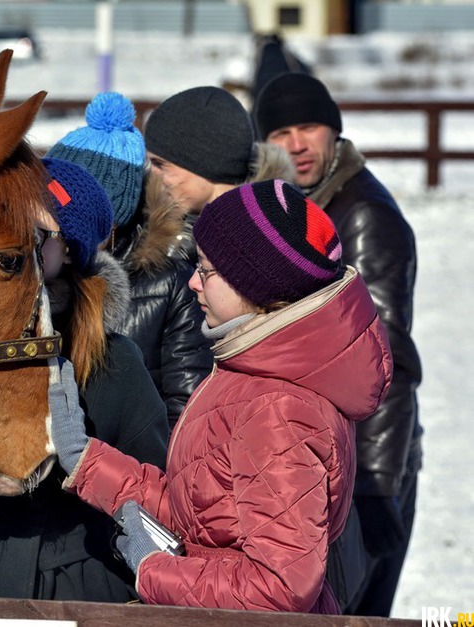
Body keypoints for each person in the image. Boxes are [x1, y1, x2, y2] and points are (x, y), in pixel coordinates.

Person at [49, 179, 394, 614]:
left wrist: (152, 568)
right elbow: (202, 512)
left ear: (258, 286)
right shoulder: (250, 374)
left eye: (207, 270)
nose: (193, 282)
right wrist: (85, 461)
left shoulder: (279, 411)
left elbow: (279, 589)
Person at [0, 158, 170, 601]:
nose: (13, 237)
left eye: (34, 230)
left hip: (77, 585)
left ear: (69, 248)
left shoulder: (115, 362)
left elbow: (157, 489)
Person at [254, 73, 423, 617]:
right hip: (325, 463)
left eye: (310, 127)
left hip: (369, 470)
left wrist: (375, 487)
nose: (297, 144)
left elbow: (385, 361)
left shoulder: (363, 217)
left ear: (334, 133)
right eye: (281, 131)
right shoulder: (294, 210)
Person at [49, 87, 292, 430]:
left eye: (162, 164)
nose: (154, 177)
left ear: (205, 163)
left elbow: (190, 398)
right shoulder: (157, 244)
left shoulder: (190, 263)